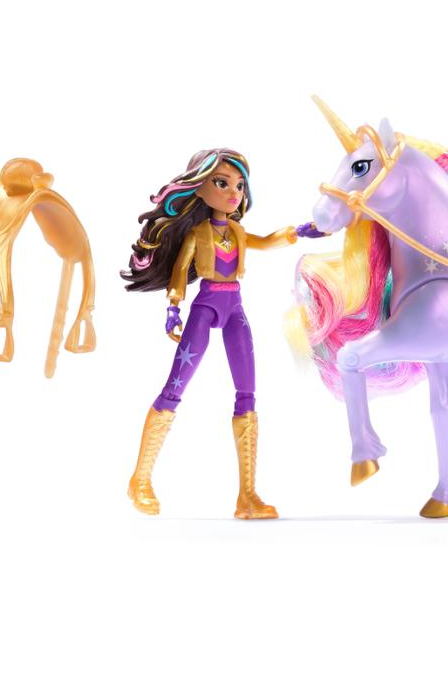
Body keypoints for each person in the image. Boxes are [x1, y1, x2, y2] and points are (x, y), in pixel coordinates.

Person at [121, 148, 322, 518]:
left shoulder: (238, 232)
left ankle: (247, 496)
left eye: (239, 185)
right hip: (206, 307)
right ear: (199, 187)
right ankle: (140, 479)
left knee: (247, 394)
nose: (234, 193)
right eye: (222, 183)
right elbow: (179, 272)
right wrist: (173, 307)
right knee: (174, 389)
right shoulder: (197, 234)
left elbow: (267, 241)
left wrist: (299, 231)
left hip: (234, 309)